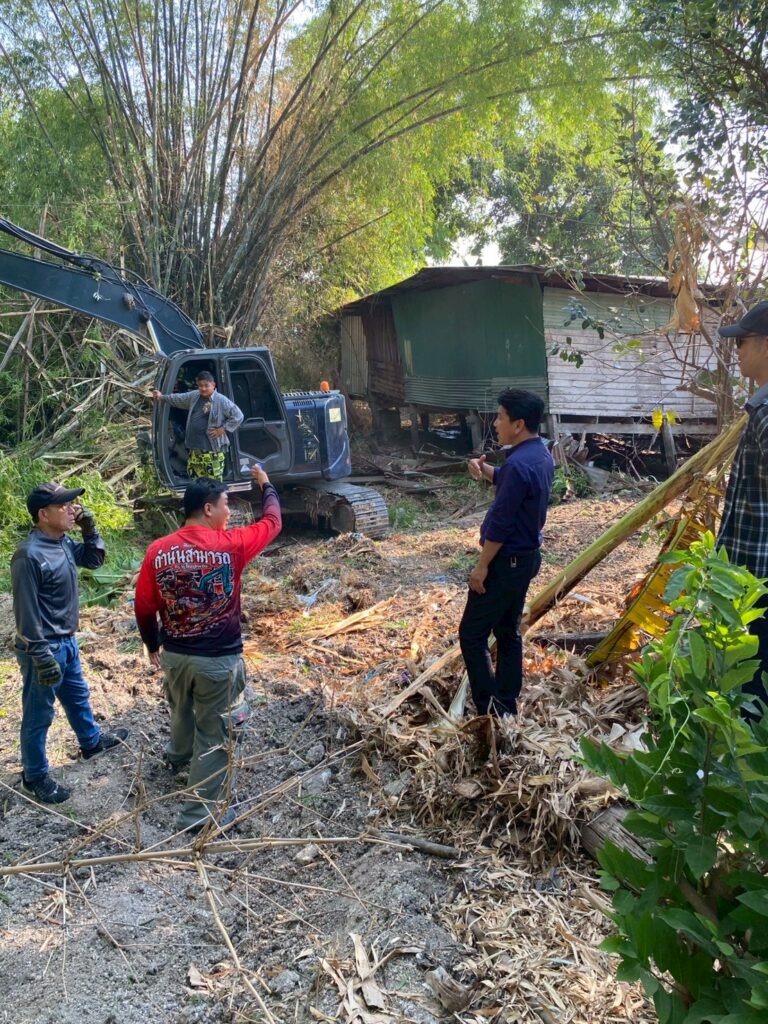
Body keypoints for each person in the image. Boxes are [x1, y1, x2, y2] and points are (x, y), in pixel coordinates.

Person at [133, 465, 281, 832]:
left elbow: (144, 606)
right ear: (209, 508)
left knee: (181, 709)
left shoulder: (157, 551)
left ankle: (178, 756)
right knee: (217, 734)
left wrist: (152, 643)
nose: (230, 512)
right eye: (226, 504)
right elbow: (272, 523)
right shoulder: (230, 545)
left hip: (175, 655)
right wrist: (266, 485)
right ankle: (199, 816)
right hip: (217, 660)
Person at [12, 482, 129, 804]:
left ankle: (91, 742)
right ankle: (34, 775)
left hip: (67, 640)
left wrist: (90, 529)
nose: (70, 510)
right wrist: (40, 654)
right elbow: (25, 612)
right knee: (39, 714)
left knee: (77, 697)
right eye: (62, 506)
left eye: (70, 505)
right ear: (43, 514)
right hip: (43, 648)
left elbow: (94, 560)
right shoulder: (29, 555)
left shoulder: (62, 542)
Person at [458, 389, 554, 718]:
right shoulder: (540, 455)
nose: (496, 423)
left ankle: (488, 709)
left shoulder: (518, 464)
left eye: (500, 417)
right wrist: (485, 469)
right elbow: (513, 482)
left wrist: (482, 567)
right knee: (508, 630)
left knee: (472, 634)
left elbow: (500, 524)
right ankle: (507, 705)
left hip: (505, 562)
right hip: (526, 559)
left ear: (518, 424)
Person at [716, 300, 768, 712]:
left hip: (761, 579)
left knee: (754, 688)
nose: (738, 352)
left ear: (766, 345)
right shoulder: (759, 409)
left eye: (742, 342)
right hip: (752, 575)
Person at [152, 370, 244, 481]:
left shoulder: (221, 400)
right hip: (195, 451)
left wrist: (222, 429)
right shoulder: (194, 396)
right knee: (196, 483)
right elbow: (179, 398)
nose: (203, 388)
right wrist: (162, 397)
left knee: (213, 484)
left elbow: (238, 416)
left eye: (206, 385)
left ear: (213, 385)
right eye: (200, 386)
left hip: (212, 452)